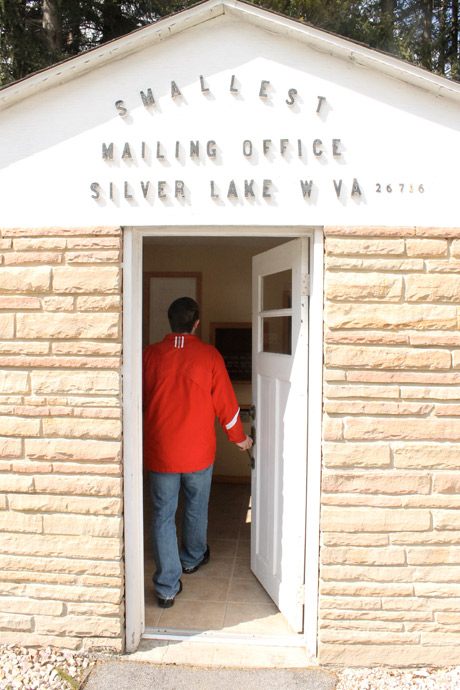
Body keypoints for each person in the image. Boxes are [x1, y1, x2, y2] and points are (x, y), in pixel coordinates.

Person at [143, 296, 253, 608]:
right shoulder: (210, 356)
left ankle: (166, 587)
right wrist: (239, 438)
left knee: (163, 515)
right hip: (199, 454)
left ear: (169, 321)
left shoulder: (148, 356)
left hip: (161, 452)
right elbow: (227, 405)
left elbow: (135, 402)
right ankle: (191, 558)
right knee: (195, 507)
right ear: (196, 322)